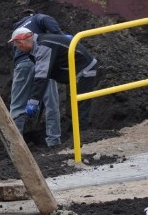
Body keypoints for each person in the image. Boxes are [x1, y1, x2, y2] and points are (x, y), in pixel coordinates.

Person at [8, 27, 99, 130]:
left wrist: (34, 101)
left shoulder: (43, 46)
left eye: (16, 44)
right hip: (74, 73)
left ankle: (83, 138)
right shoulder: (39, 44)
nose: (16, 47)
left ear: (22, 43)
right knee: (71, 107)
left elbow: (42, 76)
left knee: (79, 107)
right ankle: (73, 138)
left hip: (84, 70)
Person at [9, 9, 65, 147]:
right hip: (44, 60)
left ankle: (15, 146)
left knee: (17, 105)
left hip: (23, 64)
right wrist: (61, 37)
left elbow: (15, 55)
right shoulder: (36, 18)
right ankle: (54, 141)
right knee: (51, 102)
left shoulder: (16, 30)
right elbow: (47, 20)